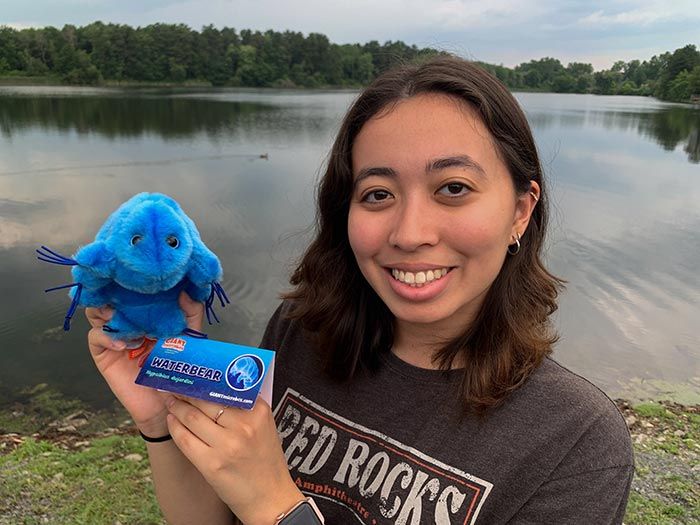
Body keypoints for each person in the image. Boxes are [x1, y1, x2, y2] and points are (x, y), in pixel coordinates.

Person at [86, 55, 634, 524]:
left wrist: (279, 507)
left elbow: (261, 505)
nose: (410, 233)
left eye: (453, 188)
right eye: (376, 193)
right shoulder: (303, 331)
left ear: (520, 210)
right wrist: (163, 421)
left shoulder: (575, 442)